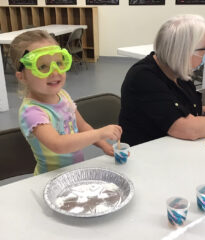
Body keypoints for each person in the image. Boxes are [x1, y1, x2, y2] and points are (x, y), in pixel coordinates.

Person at [119, 14, 205, 146]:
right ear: (184, 52)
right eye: (203, 50)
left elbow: (191, 110)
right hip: (147, 153)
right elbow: (188, 128)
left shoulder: (177, 70)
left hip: (173, 147)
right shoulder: (143, 77)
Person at [10, 30, 122, 175]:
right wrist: (99, 134)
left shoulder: (63, 96)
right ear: (22, 77)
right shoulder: (32, 112)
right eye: (42, 67)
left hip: (73, 172)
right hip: (50, 178)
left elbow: (82, 126)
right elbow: (58, 145)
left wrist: (104, 146)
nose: (55, 72)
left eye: (58, 63)